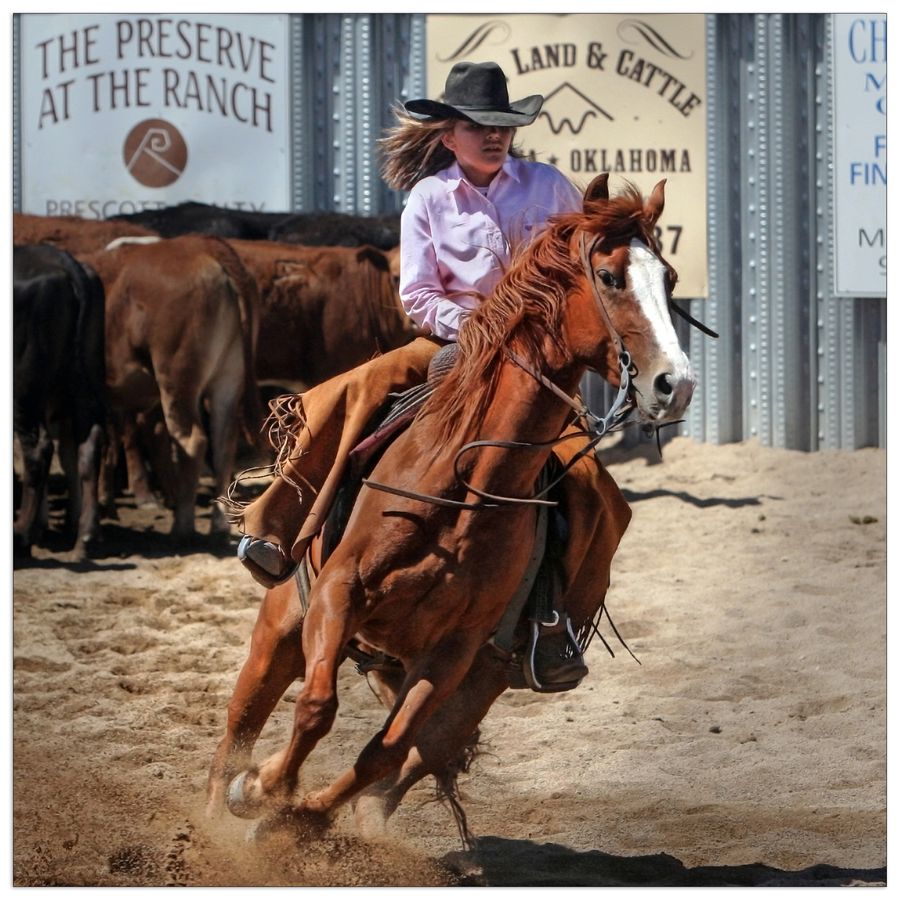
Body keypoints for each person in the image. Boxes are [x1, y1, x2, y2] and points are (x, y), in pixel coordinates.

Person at [232, 61, 588, 688]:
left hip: (536, 360)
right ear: (449, 136)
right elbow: (417, 295)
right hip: (453, 343)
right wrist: (478, 330)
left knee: (581, 477)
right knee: (364, 389)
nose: (493, 135)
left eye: (502, 125)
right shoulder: (428, 198)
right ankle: (279, 520)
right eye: (478, 125)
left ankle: (552, 620)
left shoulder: (551, 187)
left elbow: (585, 268)